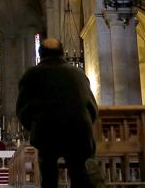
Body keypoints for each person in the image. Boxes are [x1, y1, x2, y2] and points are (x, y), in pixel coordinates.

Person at [16, 38, 98, 188]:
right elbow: (92, 108)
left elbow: (22, 110)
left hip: (46, 132)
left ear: (40, 54)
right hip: (79, 132)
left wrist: (35, 127)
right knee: (80, 173)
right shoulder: (78, 73)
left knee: (48, 174)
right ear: (62, 53)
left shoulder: (31, 75)